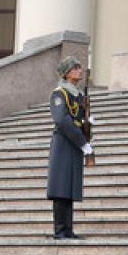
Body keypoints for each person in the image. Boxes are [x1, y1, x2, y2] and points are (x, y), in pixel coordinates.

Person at [47, 56, 92, 240]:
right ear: (67, 73)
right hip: (64, 142)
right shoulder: (60, 94)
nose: (79, 71)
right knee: (60, 187)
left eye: (79, 68)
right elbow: (62, 120)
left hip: (74, 143)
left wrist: (88, 124)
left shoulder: (79, 95)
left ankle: (68, 229)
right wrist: (81, 141)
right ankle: (59, 231)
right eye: (75, 68)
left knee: (70, 186)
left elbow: (80, 119)